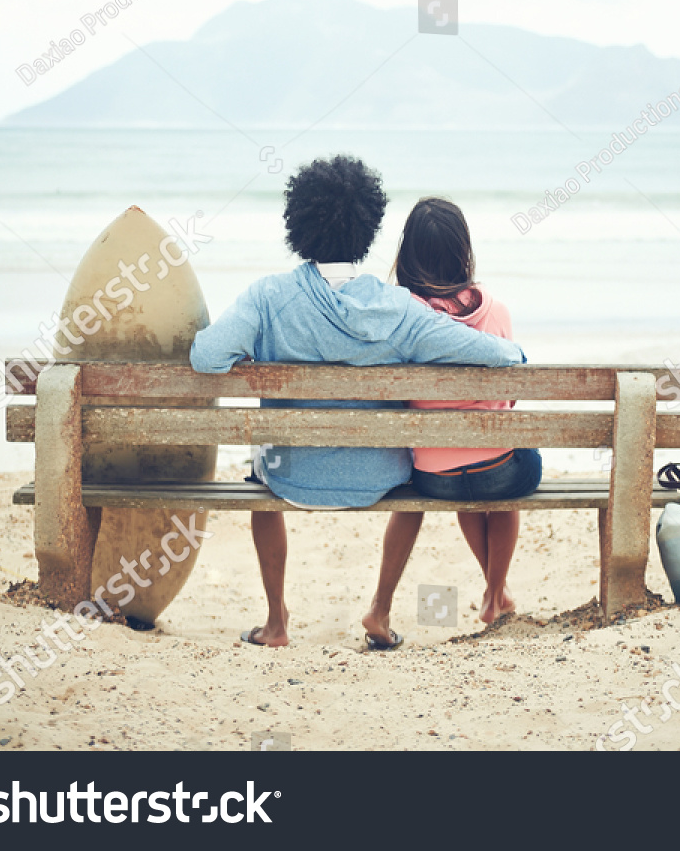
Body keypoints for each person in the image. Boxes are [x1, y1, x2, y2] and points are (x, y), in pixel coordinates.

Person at [189, 155, 525, 650]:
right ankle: (380, 611)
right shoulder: (398, 308)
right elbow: (494, 355)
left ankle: (277, 621)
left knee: (258, 474)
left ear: (297, 223)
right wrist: (514, 351)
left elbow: (206, 357)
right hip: (381, 477)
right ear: (368, 227)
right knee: (412, 479)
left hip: (287, 475)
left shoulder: (267, 297)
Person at [380, 197, 542, 626]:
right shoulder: (498, 311)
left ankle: (497, 592)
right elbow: (510, 397)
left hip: (436, 479)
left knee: (466, 482)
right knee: (506, 478)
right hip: (500, 470)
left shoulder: (403, 317)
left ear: (408, 253)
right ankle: (493, 593)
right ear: (463, 250)